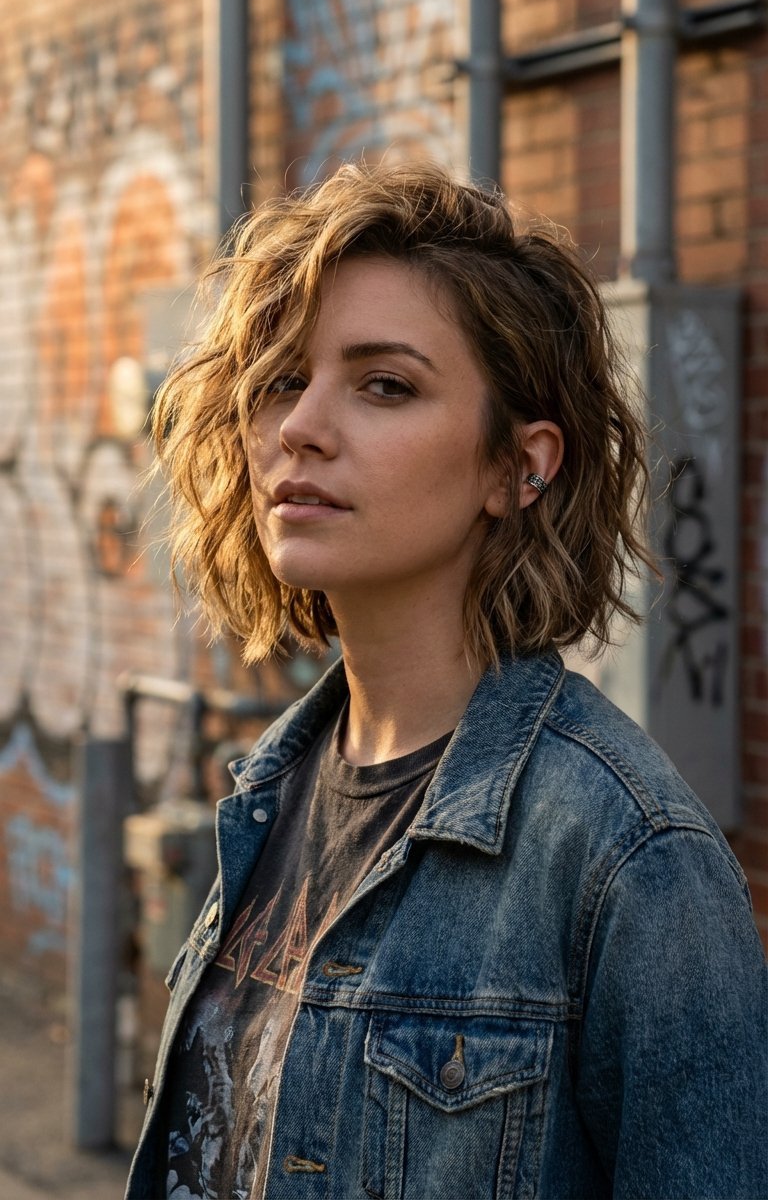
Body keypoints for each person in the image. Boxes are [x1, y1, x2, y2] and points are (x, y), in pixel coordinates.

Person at [126, 162, 767, 1200]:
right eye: (282, 380)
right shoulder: (273, 789)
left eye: (385, 385)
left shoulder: (630, 860)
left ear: (520, 466)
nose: (300, 426)